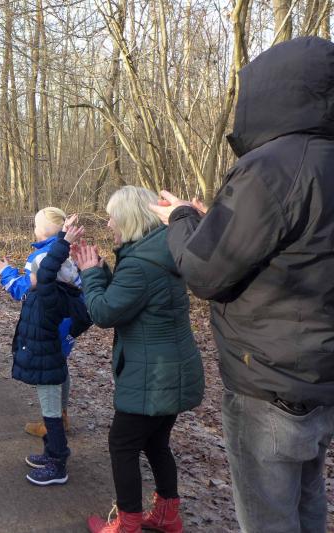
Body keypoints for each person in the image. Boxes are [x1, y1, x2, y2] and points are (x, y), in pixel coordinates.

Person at [150, 36, 334, 533]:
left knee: (270, 519)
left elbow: (205, 270)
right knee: (308, 504)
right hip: (319, 381)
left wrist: (181, 217)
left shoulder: (272, 166)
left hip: (269, 387)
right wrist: (210, 221)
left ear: (271, 91)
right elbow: (296, 246)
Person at [73, 186, 204, 533]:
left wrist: (89, 273)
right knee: (155, 442)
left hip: (154, 374)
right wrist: (101, 270)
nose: (108, 223)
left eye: (112, 216)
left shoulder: (141, 264)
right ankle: (167, 515)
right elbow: (129, 300)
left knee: (123, 444)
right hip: (173, 367)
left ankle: (128, 523)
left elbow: (104, 312)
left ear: (129, 219)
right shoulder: (159, 250)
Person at [11, 216, 91, 486]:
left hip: (48, 361)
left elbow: (46, 271)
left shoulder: (51, 293)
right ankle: (49, 453)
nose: (33, 276)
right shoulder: (55, 292)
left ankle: (58, 462)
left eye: (38, 272)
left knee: (52, 415)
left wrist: (64, 241)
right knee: (50, 411)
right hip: (47, 359)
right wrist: (63, 237)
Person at [0, 207, 82, 437]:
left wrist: (5, 271)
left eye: (36, 225)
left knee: (47, 371)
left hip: (50, 322)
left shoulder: (41, 257)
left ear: (42, 231)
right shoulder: (68, 250)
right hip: (69, 320)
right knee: (59, 365)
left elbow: (22, 289)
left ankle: (52, 425)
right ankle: (62, 416)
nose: (34, 229)